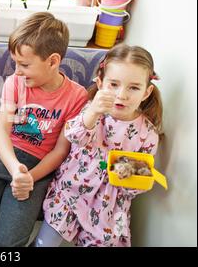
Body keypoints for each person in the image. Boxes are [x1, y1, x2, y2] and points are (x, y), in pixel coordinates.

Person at [0, 12, 89, 247]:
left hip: (38, 170)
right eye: (15, 63)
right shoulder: (16, 82)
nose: (17, 70)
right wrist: (15, 170)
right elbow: (2, 131)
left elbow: (61, 150)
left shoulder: (77, 96)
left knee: (9, 241)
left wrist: (28, 178)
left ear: (53, 61)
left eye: (24, 64)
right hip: (3, 158)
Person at [35, 44, 163, 247]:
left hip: (109, 207)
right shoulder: (91, 110)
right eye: (114, 84)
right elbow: (74, 136)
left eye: (134, 87)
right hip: (70, 193)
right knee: (44, 244)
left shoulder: (147, 134)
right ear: (101, 82)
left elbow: (135, 187)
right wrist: (93, 112)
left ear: (146, 92)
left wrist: (129, 175)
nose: (122, 95)